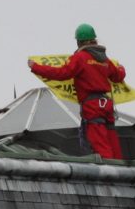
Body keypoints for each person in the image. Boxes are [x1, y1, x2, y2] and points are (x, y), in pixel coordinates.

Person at [29, 23, 125, 161]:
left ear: (78, 41)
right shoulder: (104, 59)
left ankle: (110, 173)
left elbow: (62, 73)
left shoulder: (80, 58)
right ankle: (122, 170)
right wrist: (121, 68)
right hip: (106, 105)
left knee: (100, 144)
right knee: (112, 139)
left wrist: (36, 67)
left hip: (92, 106)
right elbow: (118, 76)